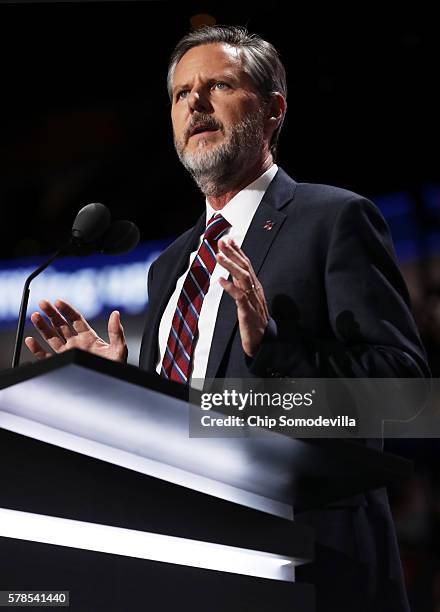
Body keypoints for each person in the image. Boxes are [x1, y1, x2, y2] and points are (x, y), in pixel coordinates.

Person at [25, 25, 429, 611]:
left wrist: (273, 349)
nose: (196, 101)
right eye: (182, 92)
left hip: (310, 565)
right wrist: (122, 388)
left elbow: (405, 397)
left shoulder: (333, 220)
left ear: (272, 110)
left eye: (218, 84)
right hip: (191, 561)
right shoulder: (168, 267)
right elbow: (186, 423)